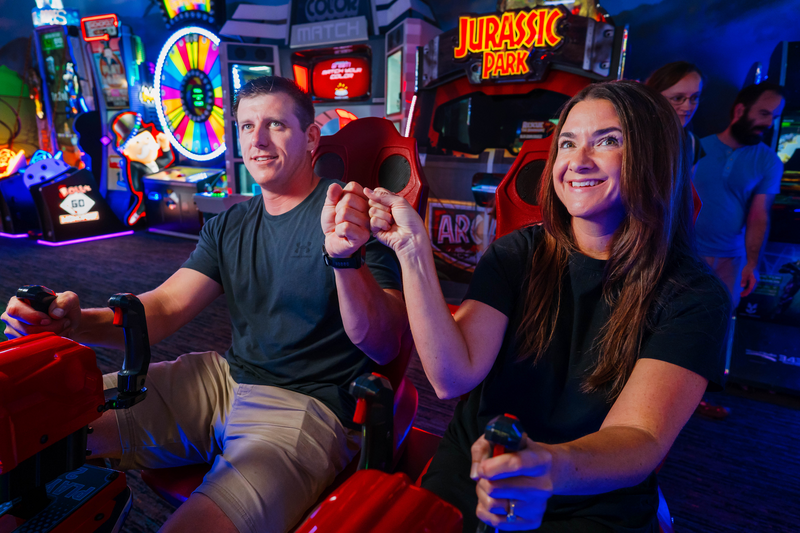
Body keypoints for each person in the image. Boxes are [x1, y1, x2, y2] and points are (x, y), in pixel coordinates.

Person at [1, 76, 408, 533]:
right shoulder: (229, 225)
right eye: (247, 125)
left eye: (276, 124)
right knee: (41, 417)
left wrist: (345, 258)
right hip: (222, 379)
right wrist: (72, 322)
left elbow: (385, 344)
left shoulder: (353, 214)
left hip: (305, 407)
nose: (257, 140)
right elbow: (163, 309)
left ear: (311, 137)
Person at [363, 80, 730, 532]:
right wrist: (412, 251)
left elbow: (640, 437)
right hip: (476, 467)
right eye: (568, 143)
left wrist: (547, 467)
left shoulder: (692, 294)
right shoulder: (518, 251)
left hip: (594, 490)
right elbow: (451, 376)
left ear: (653, 158)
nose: (577, 161)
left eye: (608, 141)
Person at [694, 83, 785, 309]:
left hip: (731, 260)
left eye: (774, 116)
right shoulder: (696, 147)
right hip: (687, 253)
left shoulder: (769, 161)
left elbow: (759, 216)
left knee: (721, 323)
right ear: (739, 111)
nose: (768, 123)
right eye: (764, 113)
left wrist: (752, 264)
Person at [645, 61, 705, 168]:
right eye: (677, 98)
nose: (687, 107)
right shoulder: (633, 136)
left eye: (694, 97)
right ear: (654, 98)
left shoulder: (692, 143)